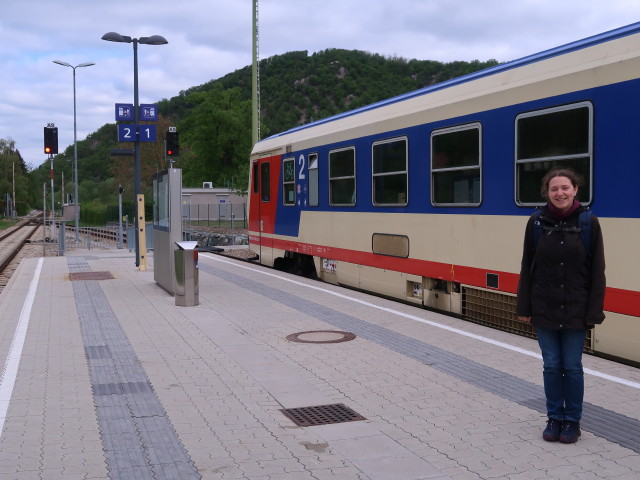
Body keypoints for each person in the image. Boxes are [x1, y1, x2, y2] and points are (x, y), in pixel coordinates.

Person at [516, 168, 606, 444]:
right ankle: (554, 417)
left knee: (573, 366)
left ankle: (572, 421)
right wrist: (524, 307)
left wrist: (594, 311)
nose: (560, 193)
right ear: (548, 192)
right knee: (552, 365)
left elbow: (597, 271)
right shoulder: (536, 222)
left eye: (565, 187)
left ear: (575, 190)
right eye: (554, 189)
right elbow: (527, 267)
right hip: (544, 306)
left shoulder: (589, 223)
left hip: (577, 307)